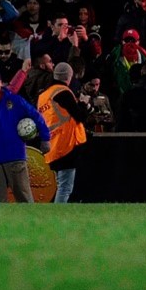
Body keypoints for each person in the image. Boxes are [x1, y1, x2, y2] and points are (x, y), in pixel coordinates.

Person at [0, 69, 52, 203]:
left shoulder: (15, 100)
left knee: (25, 199)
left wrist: (45, 138)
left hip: (15, 157)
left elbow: (36, 116)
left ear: (1, 82)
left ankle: (32, 223)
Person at [36, 62, 89, 203]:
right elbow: (80, 116)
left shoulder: (43, 96)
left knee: (62, 183)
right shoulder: (63, 92)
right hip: (66, 144)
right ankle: (57, 216)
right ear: (69, 77)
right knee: (65, 187)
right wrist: (84, 103)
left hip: (51, 144)